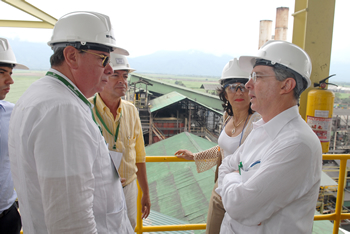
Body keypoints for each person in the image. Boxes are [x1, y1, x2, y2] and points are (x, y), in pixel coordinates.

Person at [8, 12, 134, 234]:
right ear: (72, 56)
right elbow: (71, 223)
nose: (110, 70)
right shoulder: (62, 110)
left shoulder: (44, 95)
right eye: (103, 58)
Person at [215, 40, 322, 234]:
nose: (248, 85)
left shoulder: (297, 144)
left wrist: (231, 180)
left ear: (286, 85)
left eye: (257, 77)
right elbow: (227, 164)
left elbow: (240, 207)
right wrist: (237, 182)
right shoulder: (262, 129)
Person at [175, 58, 260, 234]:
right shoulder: (226, 117)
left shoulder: (257, 121)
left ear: (252, 89)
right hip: (220, 190)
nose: (238, 92)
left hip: (242, 193)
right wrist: (195, 156)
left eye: (243, 86)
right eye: (232, 86)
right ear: (224, 93)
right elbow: (223, 150)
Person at [89, 53, 150, 228]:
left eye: (125, 76)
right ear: (103, 76)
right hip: (98, 191)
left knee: (128, 227)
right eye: (115, 75)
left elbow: (139, 156)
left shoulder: (131, 111)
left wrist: (145, 192)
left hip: (128, 188)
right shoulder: (86, 110)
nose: (122, 81)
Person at [0, 37, 28, 234]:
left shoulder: (13, 113)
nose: (10, 80)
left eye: (10, 73)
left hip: (7, 218)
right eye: (2, 73)